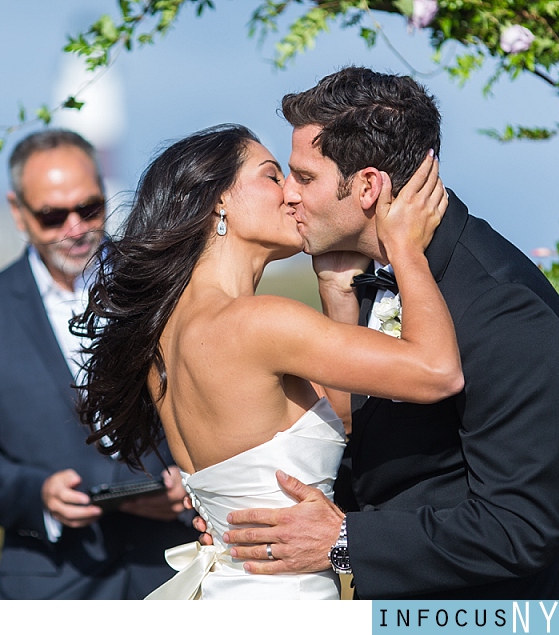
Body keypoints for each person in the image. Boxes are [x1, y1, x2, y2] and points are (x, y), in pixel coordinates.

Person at [217, 67, 559, 599]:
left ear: (368, 185)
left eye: (305, 177)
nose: (287, 194)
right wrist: (248, 513)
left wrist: (344, 540)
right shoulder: (355, 275)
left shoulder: (506, 310)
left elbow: (520, 528)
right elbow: (374, 463)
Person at [72, 123, 462, 600]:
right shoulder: (258, 323)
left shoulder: (164, 335)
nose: (293, 193)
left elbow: (337, 419)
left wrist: (335, 288)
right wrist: (405, 248)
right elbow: (437, 372)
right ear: (218, 201)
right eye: (274, 176)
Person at [0, 129, 197, 600]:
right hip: (51, 584)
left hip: (172, 571)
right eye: (53, 216)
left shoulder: (163, 288)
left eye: (90, 208)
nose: (75, 227)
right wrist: (40, 495)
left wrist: (189, 480)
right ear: (18, 213)